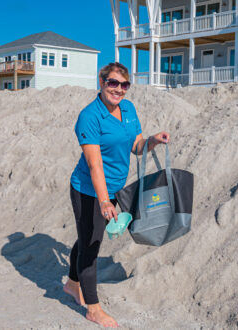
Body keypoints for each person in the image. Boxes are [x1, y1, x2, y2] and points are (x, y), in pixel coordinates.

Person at [63, 62, 170, 328]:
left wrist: (154, 140)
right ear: (101, 82)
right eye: (113, 83)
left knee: (88, 235)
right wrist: (103, 201)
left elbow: (136, 145)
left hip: (113, 189)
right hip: (88, 190)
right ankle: (94, 310)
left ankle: (72, 283)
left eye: (124, 85)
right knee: (92, 244)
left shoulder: (129, 109)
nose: (118, 90)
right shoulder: (90, 116)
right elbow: (94, 165)